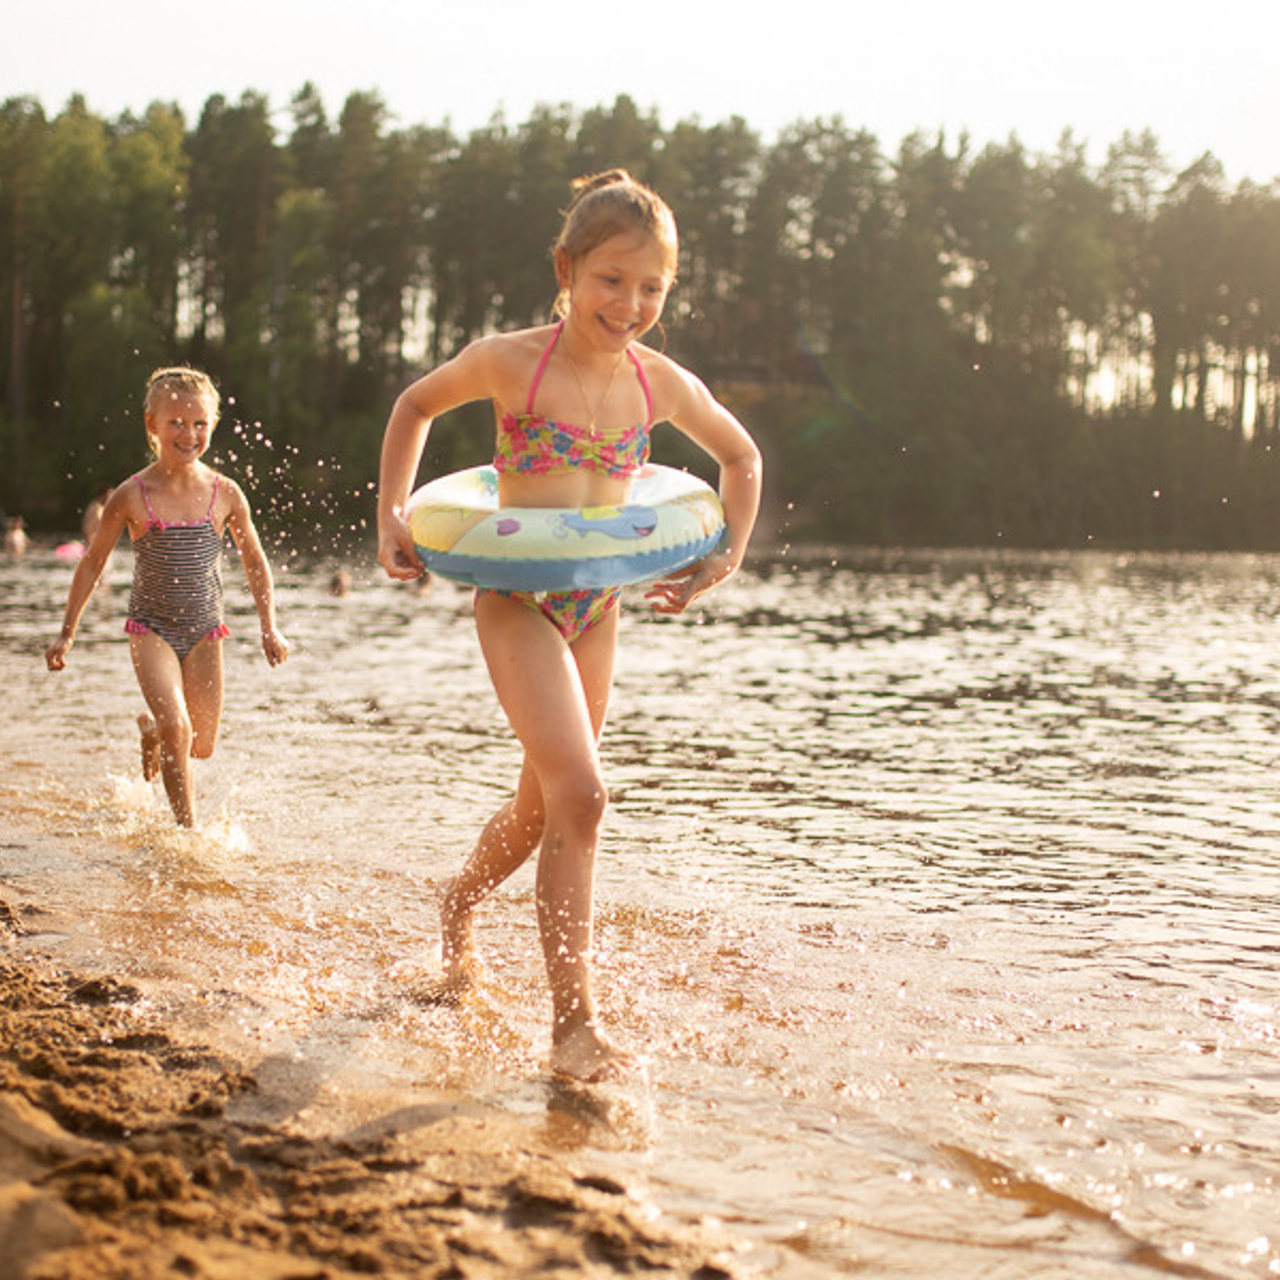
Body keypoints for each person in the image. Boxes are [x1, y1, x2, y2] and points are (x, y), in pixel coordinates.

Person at [377, 169, 762, 1082]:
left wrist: (725, 557)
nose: (630, 304)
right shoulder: (511, 361)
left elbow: (740, 457)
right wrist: (392, 514)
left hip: (595, 605)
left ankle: (457, 904)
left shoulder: (658, 383)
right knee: (586, 796)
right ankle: (574, 1026)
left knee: (544, 802)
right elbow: (414, 406)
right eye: (612, 280)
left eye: (652, 287)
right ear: (567, 269)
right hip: (514, 600)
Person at [46, 367, 289, 827]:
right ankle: (188, 834)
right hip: (150, 628)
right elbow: (93, 563)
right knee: (180, 727)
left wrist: (268, 625)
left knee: (201, 745)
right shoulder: (132, 495)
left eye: (199, 423)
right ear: (151, 426)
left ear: (212, 427)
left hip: (205, 631)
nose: (188, 433)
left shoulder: (226, 493)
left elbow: (255, 562)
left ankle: (151, 730)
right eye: (175, 421)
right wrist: (66, 634)